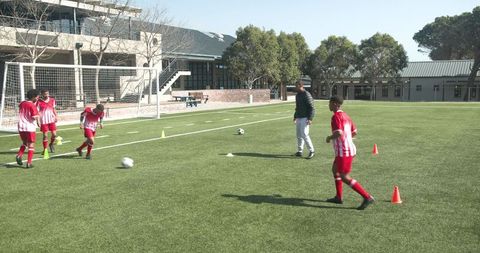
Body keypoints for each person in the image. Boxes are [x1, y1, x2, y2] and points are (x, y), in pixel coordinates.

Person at [325, 96, 374, 210]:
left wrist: (329, 138)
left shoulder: (336, 116)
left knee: (344, 177)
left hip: (344, 152)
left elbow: (339, 133)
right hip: (346, 149)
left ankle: (367, 197)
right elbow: (354, 132)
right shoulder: (346, 116)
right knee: (335, 170)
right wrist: (346, 139)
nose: (329, 105)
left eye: (330, 103)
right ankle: (338, 197)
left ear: (335, 104)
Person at [16, 89, 40, 168]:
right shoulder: (32, 105)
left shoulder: (22, 103)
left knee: (25, 143)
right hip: (29, 127)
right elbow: (35, 117)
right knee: (31, 145)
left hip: (21, 126)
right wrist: (39, 122)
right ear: (33, 97)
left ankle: (19, 155)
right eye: (37, 97)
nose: (37, 98)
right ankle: (29, 163)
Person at [293, 81, 315, 159]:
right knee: (299, 135)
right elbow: (297, 107)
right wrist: (295, 116)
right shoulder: (297, 95)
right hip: (299, 117)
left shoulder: (306, 94)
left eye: (296, 86)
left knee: (304, 134)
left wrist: (310, 118)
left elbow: (312, 107)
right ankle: (300, 151)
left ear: (300, 86)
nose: (295, 87)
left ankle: (312, 151)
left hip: (305, 117)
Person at [37, 89, 58, 155]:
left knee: (54, 135)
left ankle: (51, 144)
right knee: (45, 136)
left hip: (51, 120)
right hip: (44, 121)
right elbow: (37, 112)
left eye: (47, 93)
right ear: (42, 94)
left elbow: (54, 109)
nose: (46, 95)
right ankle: (45, 149)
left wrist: (56, 116)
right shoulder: (39, 101)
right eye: (45, 94)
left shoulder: (52, 100)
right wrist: (38, 120)